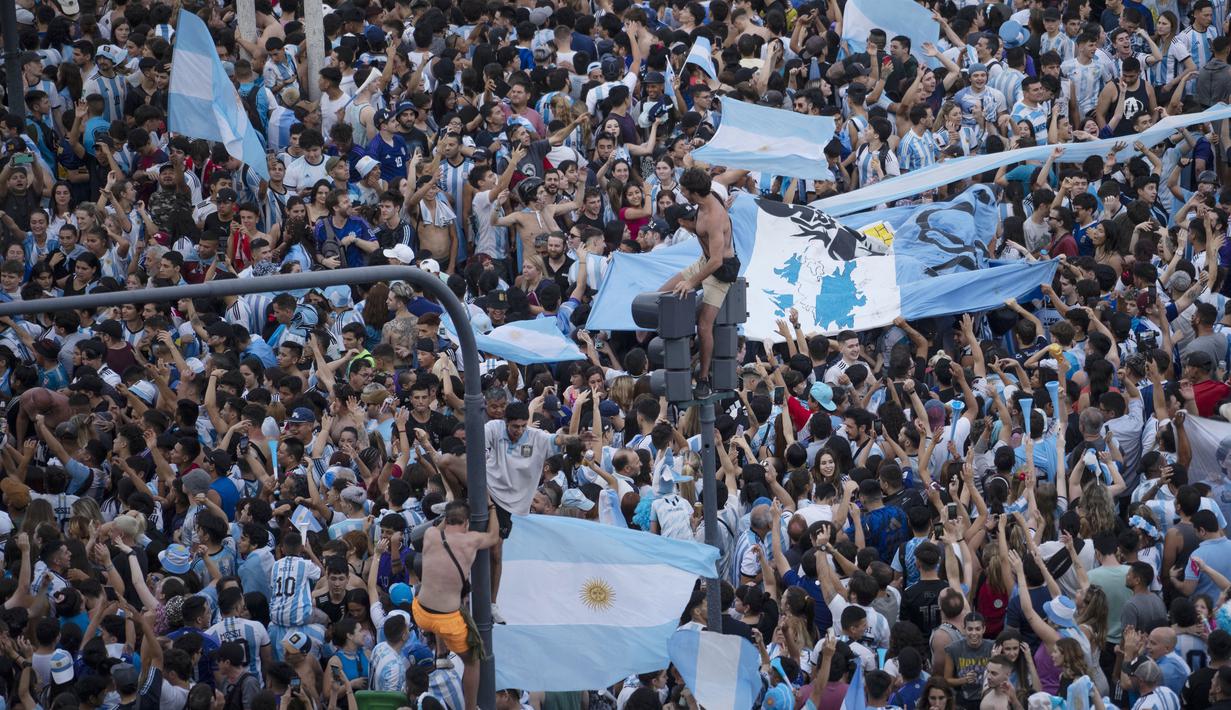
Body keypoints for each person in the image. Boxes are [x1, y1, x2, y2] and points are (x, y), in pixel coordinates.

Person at [413, 500, 499, 710]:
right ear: (467, 523)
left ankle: (442, 654)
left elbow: (440, 528)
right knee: (473, 661)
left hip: (420, 611)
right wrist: (492, 509)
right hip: (446, 620)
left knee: (455, 603)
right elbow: (494, 537)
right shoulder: (471, 540)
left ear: (445, 518)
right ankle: (471, 708)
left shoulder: (431, 535)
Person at [660, 168, 738, 397]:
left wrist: (691, 282)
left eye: (683, 190)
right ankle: (680, 348)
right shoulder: (709, 198)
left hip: (721, 269)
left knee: (704, 325)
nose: (681, 192)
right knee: (661, 296)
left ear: (694, 192)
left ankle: (703, 378)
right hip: (703, 261)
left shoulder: (714, 217)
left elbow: (715, 261)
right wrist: (687, 225)